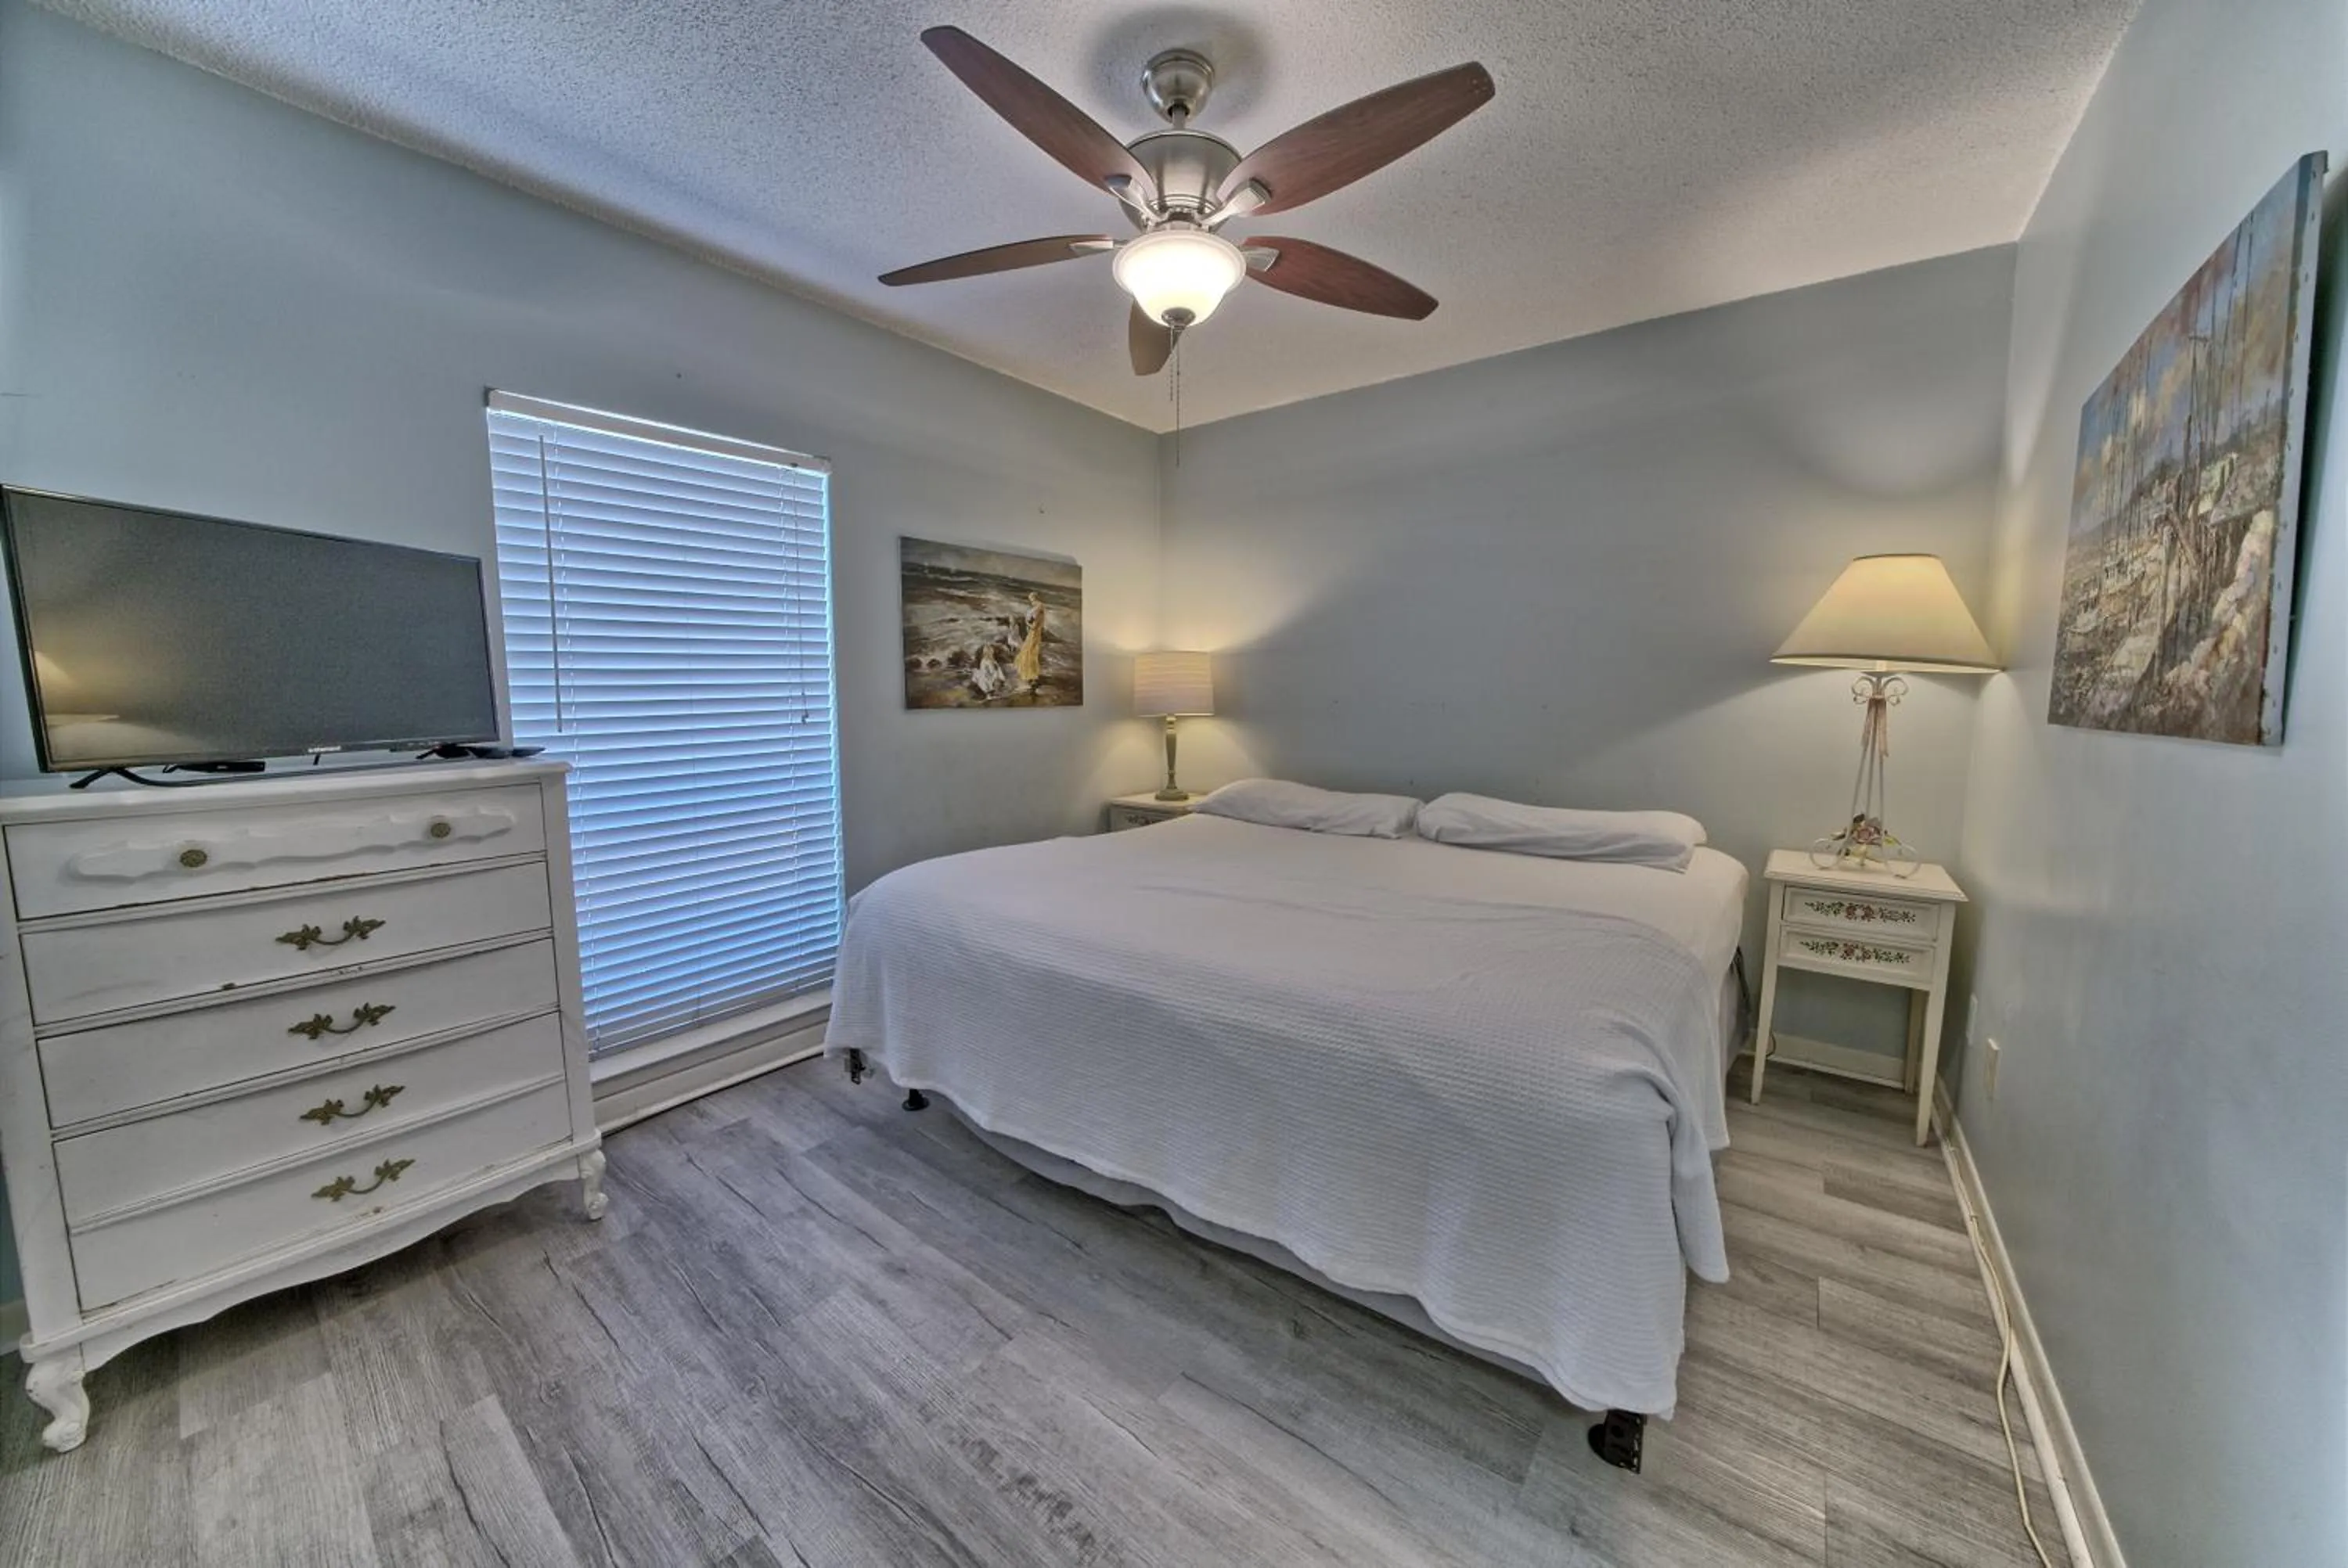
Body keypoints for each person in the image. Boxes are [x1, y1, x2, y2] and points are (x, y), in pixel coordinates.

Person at [1014, 592, 1046, 694]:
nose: (1031, 602)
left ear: (1035, 598)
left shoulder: (1039, 609)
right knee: (1030, 653)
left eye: (1032, 600)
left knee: (1030, 653)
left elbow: (1034, 626)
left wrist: (1026, 622)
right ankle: (1031, 674)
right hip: (1035, 634)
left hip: (1033, 634)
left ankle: (1031, 675)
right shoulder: (1040, 608)